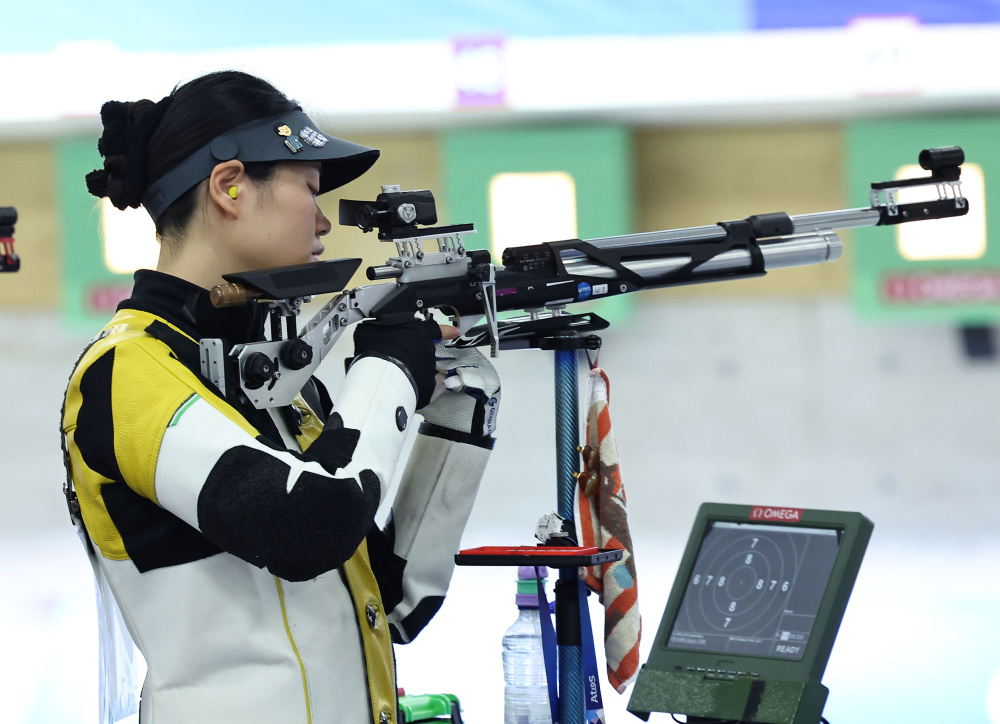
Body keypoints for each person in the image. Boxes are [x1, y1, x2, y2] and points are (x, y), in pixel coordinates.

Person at [60, 70, 500, 724]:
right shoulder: (124, 374)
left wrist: (459, 402)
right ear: (229, 186)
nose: (323, 220)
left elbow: (386, 603)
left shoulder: (273, 381)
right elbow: (309, 527)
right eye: (310, 189)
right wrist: (387, 369)